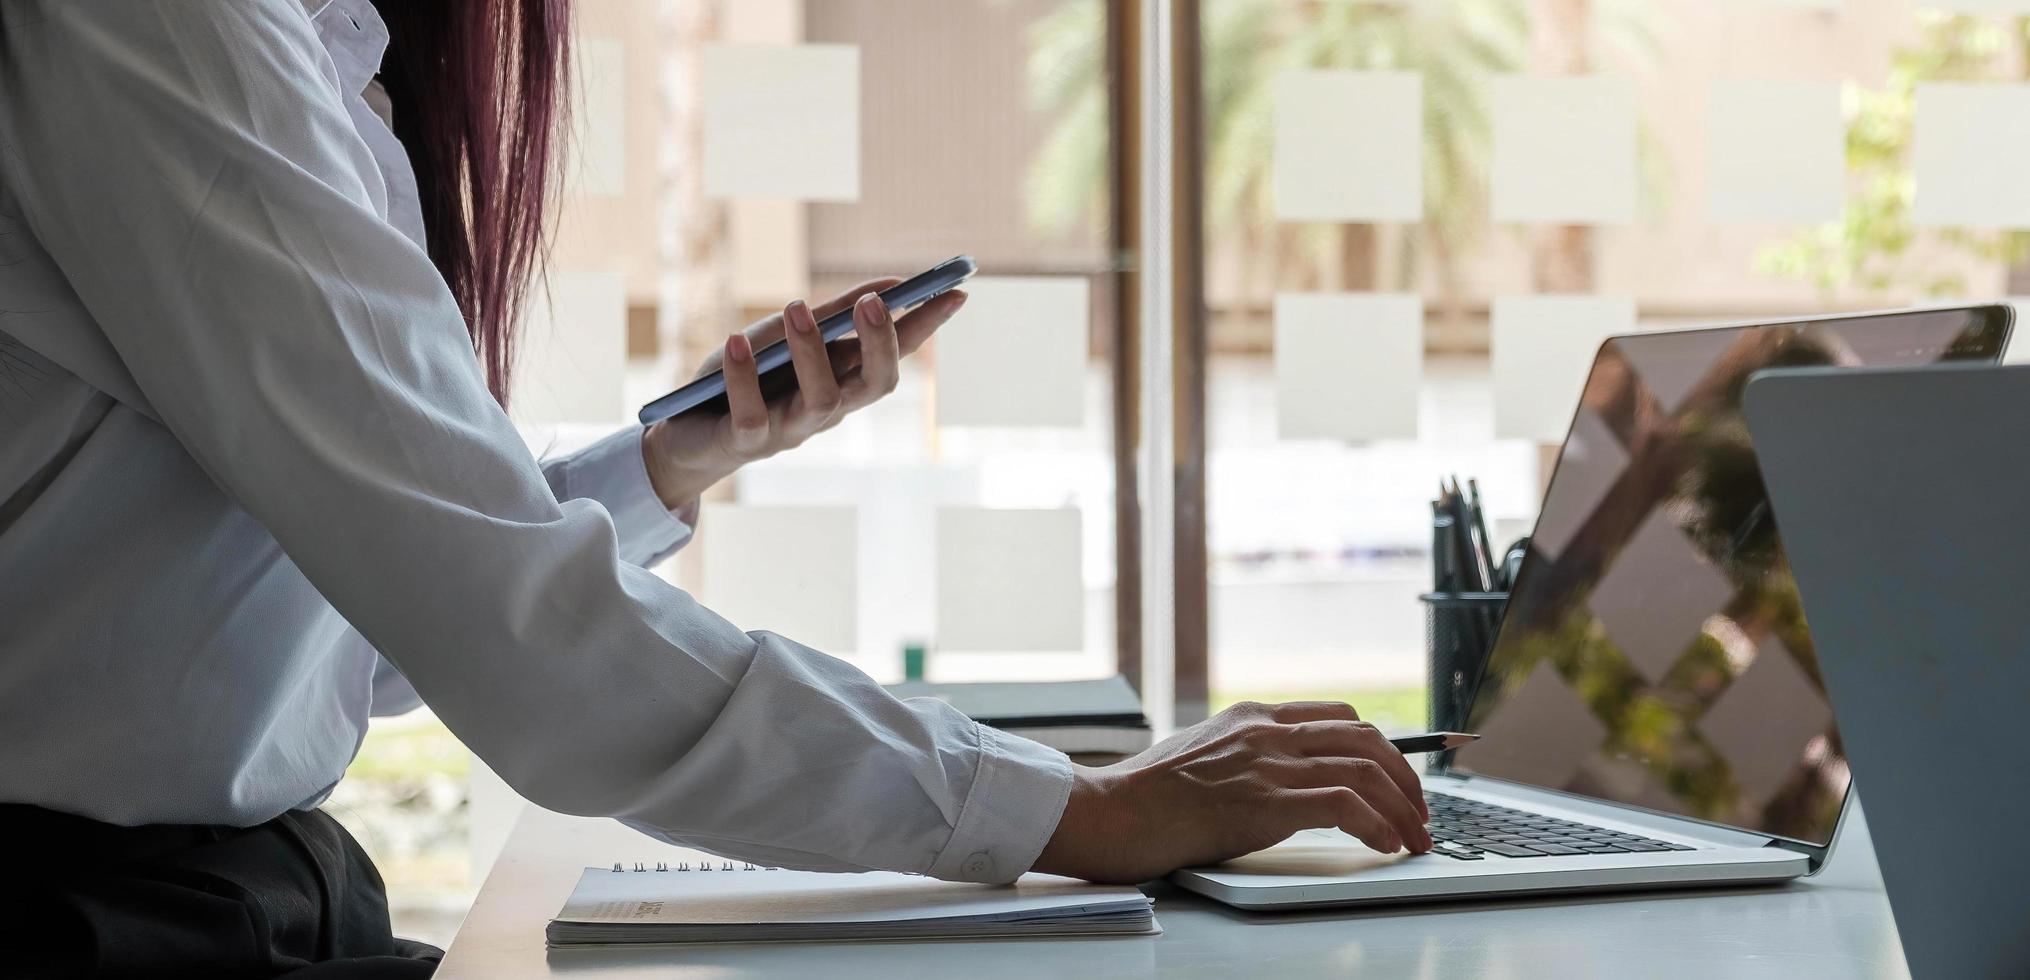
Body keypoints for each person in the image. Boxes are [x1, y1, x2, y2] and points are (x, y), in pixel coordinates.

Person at [0, 1, 1432, 976]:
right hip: (98, 923)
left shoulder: (302, 46)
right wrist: (1077, 812)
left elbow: (368, 633)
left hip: (241, 899)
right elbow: (514, 639)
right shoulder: (166, 31)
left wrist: (674, 460)